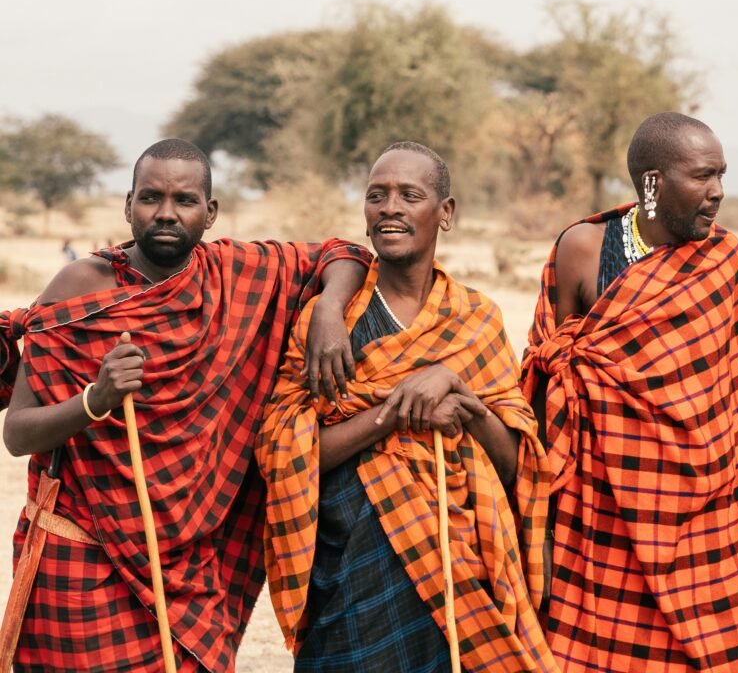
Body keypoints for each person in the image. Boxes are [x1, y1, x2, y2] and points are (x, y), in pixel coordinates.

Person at [0, 139, 372, 672]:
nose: (167, 214)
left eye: (185, 200)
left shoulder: (236, 274)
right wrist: (96, 399)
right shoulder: (81, 287)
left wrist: (328, 311)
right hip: (83, 557)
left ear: (210, 212)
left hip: (190, 563)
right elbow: (17, 434)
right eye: (151, 198)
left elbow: (346, 255)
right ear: (128, 207)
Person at [257, 142, 559, 672]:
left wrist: (463, 399)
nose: (389, 208)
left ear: (445, 214)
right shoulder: (328, 324)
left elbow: (518, 464)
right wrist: (394, 414)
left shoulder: (475, 320)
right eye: (377, 196)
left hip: (458, 567)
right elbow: (286, 451)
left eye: (409, 195)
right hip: (348, 564)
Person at [520, 112, 738, 672]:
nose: (718, 193)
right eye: (704, 176)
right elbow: (551, 374)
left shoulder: (722, 259)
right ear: (653, 182)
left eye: (722, 176)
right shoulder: (583, 247)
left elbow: (730, 396)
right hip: (593, 513)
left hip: (696, 512)